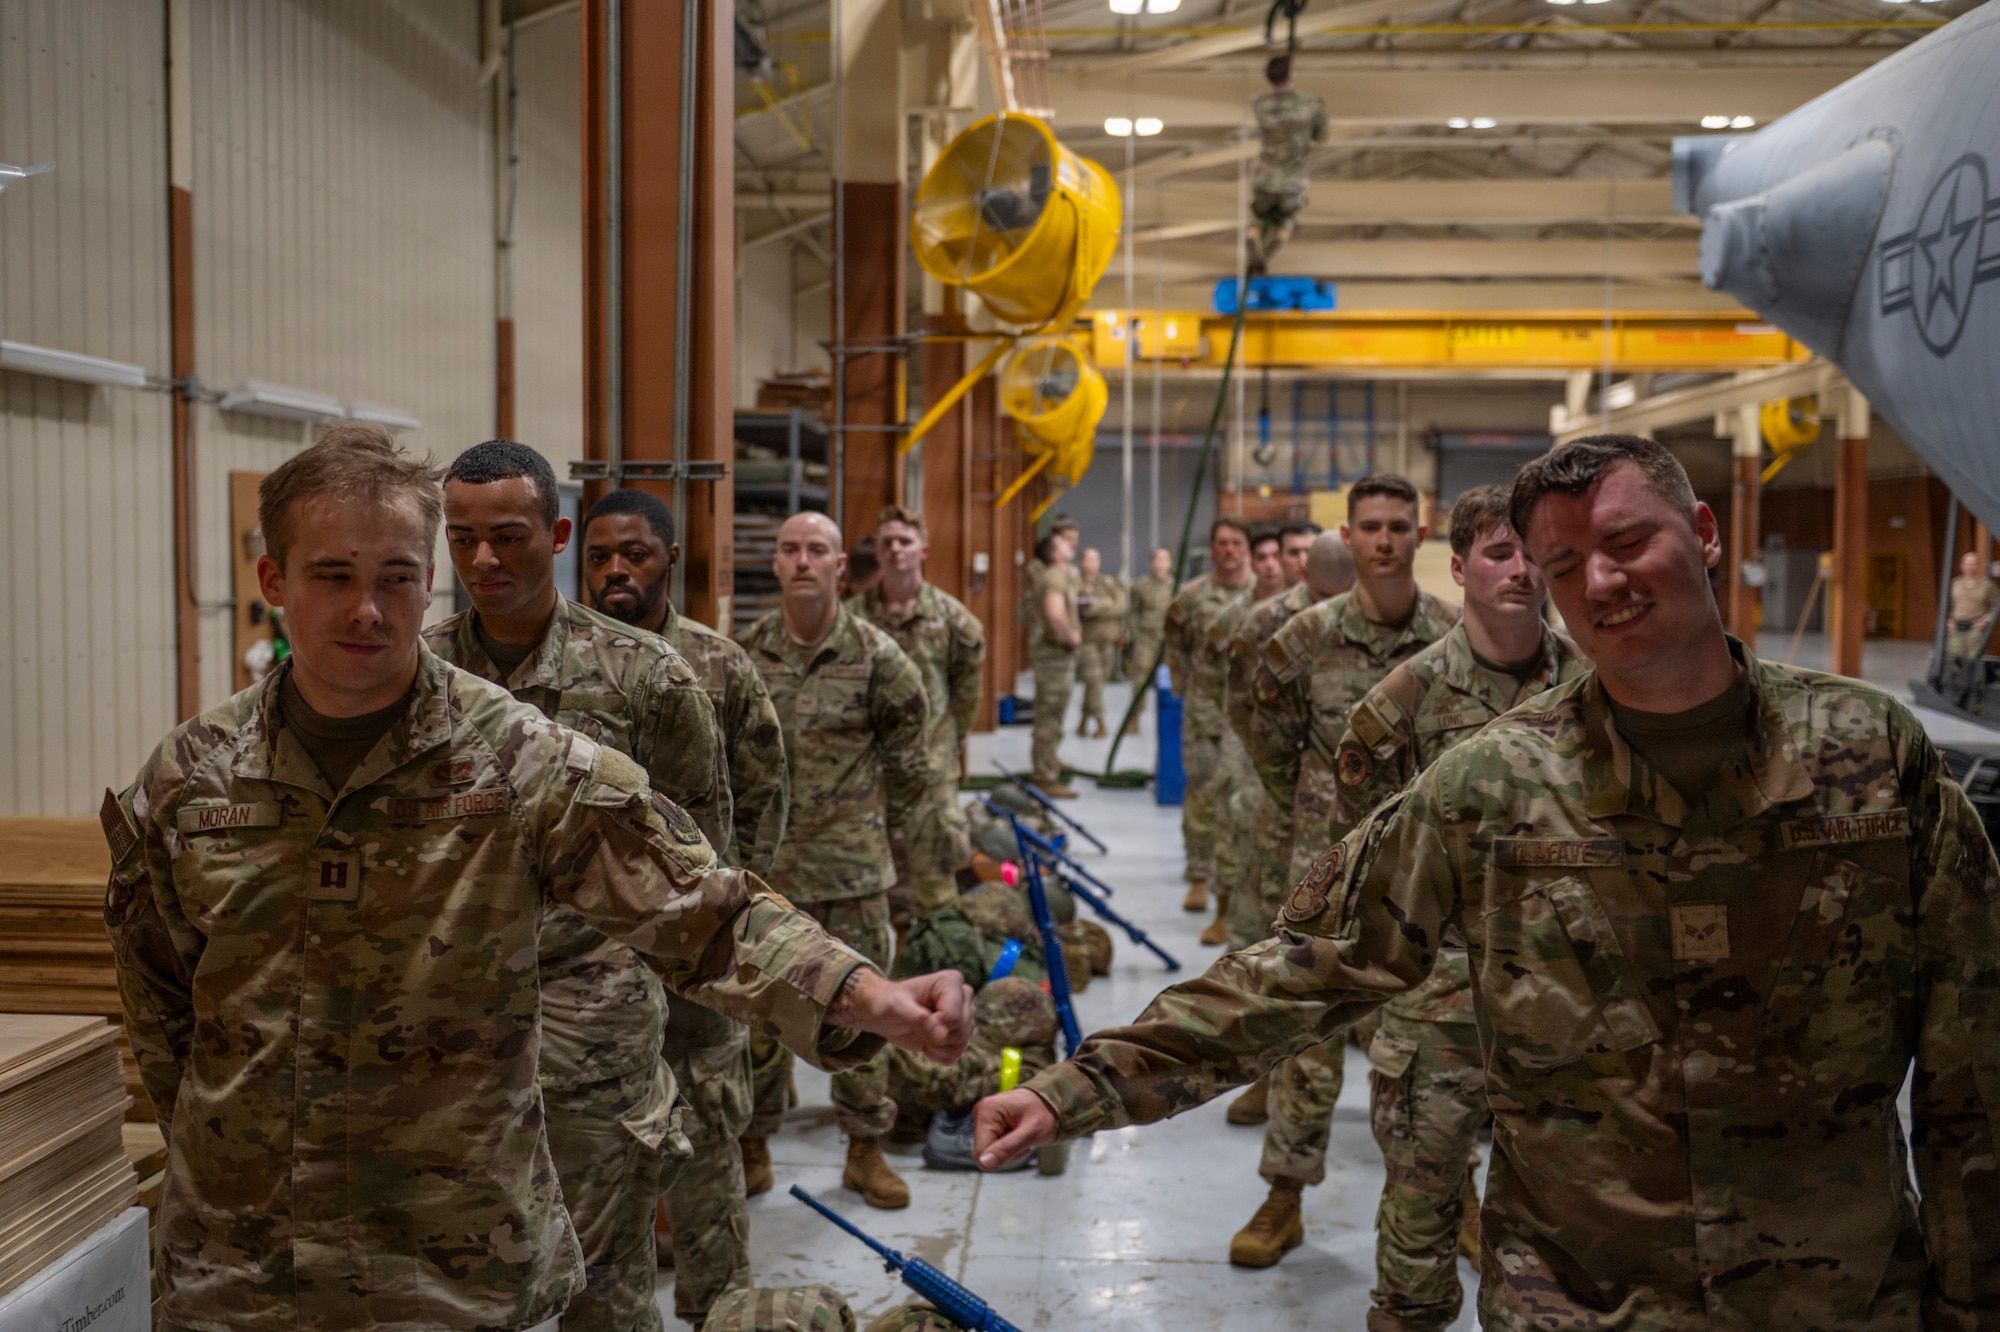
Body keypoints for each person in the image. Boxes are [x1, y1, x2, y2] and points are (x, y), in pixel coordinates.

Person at [976, 434, 2000, 1330]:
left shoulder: (1869, 757)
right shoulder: (1496, 781)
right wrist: (1081, 1086)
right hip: (1579, 1301)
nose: (1599, 583)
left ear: (1701, 530)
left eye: (1625, 543)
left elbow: (1971, 1065)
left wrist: (1970, 1299)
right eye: (1563, 564)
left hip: (1832, 1299)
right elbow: (1304, 969)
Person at [103, 426, 974, 1332]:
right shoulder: (191, 780)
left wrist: (866, 993)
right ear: (274, 583)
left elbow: (701, 904)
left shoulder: (515, 757)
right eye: (334, 576)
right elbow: (164, 1013)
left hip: (449, 1257)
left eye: (397, 577)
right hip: (244, 1263)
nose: (369, 609)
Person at [426, 442, 744, 1331]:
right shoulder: (421, 677)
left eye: (510, 536)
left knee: (602, 1289)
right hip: (449, 1027)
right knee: (460, 1277)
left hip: (595, 1024)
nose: (484, 560)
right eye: (463, 538)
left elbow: (698, 859)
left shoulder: (646, 677)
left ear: (556, 534)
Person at [1330, 486, 1586, 1327]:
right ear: (1460, 566)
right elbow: (1362, 867)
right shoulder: (1401, 705)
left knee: (1560, 1229)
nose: (1518, 571)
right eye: (1497, 554)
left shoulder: (1594, 690)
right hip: (1438, 1006)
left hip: (1566, 1004)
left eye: (1531, 555)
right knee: (1419, 1220)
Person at [1231, 473, 1459, 1269]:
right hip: (1325, 872)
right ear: (1349, 536)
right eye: (1372, 526)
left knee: (1435, 1046)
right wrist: (1316, 807)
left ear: (1420, 536)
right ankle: (1285, 1194)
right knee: (1307, 1035)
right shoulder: (1304, 639)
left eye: (1401, 525)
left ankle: (1449, 1197)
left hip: (1428, 877)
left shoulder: (1454, 641)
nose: (1387, 539)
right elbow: (1266, 739)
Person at [576, 484, 789, 1322]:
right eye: (598, 556)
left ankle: (719, 1306)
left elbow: (767, 792)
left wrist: (736, 907)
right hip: (587, 957)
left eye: (633, 553)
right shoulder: (567, 661)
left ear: (669, 558)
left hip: (695, 945)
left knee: (705, 1131)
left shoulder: (718, 666)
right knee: (594, 1140)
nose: (615, 570)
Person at [739, 511, 974, 1211]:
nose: (802, 561)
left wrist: (895, 855)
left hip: (856, 875)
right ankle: (753, 1143)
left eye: (818, 551)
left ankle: (864, 1149)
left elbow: (914, 777)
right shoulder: (744, 657)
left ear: (843, 567)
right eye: (790, 550)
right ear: (775, 565)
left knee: (867, 1021)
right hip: (769, 879)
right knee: (758, 1014)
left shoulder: (881, 661)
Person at [853, 505, 983, 932]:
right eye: (886, 542)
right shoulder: (854, 619)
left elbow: (965, 695)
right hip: (872, 769)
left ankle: (938, 963)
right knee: (874, 882)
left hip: (931, 769)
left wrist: (946, 745)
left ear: (922, 549)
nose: (895, 550)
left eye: (904, 541)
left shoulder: (954, 621)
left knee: (935, 883)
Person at [1195, 525, 1290, 946]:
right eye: (1264, 557)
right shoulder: (1237, 614)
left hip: (1293, 732)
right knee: (1233, 809)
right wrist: (1228, 714)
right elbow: (1210, 667)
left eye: (1278, 556)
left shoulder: (1308, 610)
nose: (1271, 565)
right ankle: (1224, 907)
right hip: (1244, 727)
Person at [1162, 518, 1255, 914]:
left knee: (1242, 797)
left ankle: (1236, 879)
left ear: (1246, 549)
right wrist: (1186, 689)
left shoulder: (1263, 595)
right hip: (1204, 712)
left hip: (1250, 715)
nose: (1229, 550)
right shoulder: (1192, 596)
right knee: (1201, 793)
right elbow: (1175, 643)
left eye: (1236, 542)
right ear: (1212, 549)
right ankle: (1199, 874)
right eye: (1222, 543)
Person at [1247, 54, 1328, 275]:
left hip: (1264, 175)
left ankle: (1253, 234)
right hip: (1292, 179)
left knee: (1258, 215)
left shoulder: (1259, 104)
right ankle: (1267, 253)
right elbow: (1321, 137)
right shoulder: (1311, 105)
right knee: (1287, 220)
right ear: (1291, 74)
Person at [1030, 530, 1084, 797]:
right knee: (1049, 715)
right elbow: (1054, 612)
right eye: (1063, 543)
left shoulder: (1059, 576)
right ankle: (1044, 775)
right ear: (1054, 554)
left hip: (1055, 658)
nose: (1069, 545)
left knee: (1054, 713)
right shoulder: (1054, 577)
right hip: (1053, 657)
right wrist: (1070, 636)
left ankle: (1049, 760)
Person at [1074, 547, 1128, 739]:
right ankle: (1100, 723)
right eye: (1088, 560)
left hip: (1108, 642)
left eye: (1095, 560)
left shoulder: (1108, 583)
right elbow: (1080, 610)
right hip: (1087, 642)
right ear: (1082, 562)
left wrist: (1095, 607)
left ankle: (1083, 720)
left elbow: (1120, 607)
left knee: (1097, 682)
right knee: (1094, 680)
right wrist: (1103, 605)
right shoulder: (1075, 583)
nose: (1092, 564)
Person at [1123, 546, 1176, 734]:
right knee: (1139, 681)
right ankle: (1134, 718)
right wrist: (1135, 634)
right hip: (1146, 640)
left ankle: (1172, 719)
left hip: (1169, 643)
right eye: (1157, 559)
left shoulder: (1177, 587)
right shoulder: (1140, 586)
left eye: (1165, 559)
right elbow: (1132, 613)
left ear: (1170, 563)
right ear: (1151, 563)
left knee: (1173, 682)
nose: (1161, 563)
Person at [1947, 549, 1999, 658]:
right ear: (1962, 565)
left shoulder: (1987, 585)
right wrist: (1948, 620)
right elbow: (1947, 605)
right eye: (1967, 564)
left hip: (1975, 629)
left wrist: (1986, 620)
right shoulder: (1954, 584)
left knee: (1974, 659)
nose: (1969, 567)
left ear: (1978, 566)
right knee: (1954, 659)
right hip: (1956, 627)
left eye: (1972, 564)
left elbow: (1997, 606)